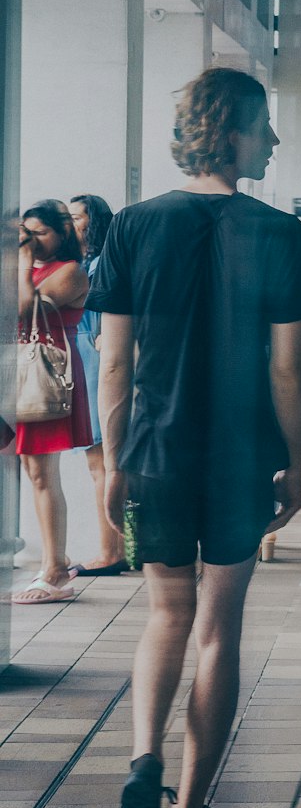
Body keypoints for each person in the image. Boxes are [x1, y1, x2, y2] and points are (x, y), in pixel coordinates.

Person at [90, 67, 301, 808]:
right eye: (265, 129)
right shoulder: (282, 234)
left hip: (156, 447)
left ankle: (142, 760)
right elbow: (287, 370)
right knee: (220, 627)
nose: (275, 142)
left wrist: (117, 456)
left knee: (165, 613)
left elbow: (115, 358)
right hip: (239, 455)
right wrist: (292, 464)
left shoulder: (131, 226)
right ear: (233, 131)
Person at [12, 203, 92, 604]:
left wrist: (23, 259)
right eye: (26, 232)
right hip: (18, 375)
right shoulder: (23, 269)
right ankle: (52, 561)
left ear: (62, 232)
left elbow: (26, 309)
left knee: (43, 474)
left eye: (40, 232)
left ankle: (56, 571)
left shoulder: (71, 272)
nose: (31, 240)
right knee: (30, 471)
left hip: (42, 375)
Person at [67, 193, 128, 576]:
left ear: (95, 220)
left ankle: (111, 551)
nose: (71, 224)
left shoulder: (100, 262)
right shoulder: (86, 262)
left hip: (95, 360)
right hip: (88, 357)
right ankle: (115, 547)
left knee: (101, 461)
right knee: (102, 460)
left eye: (77, 216)